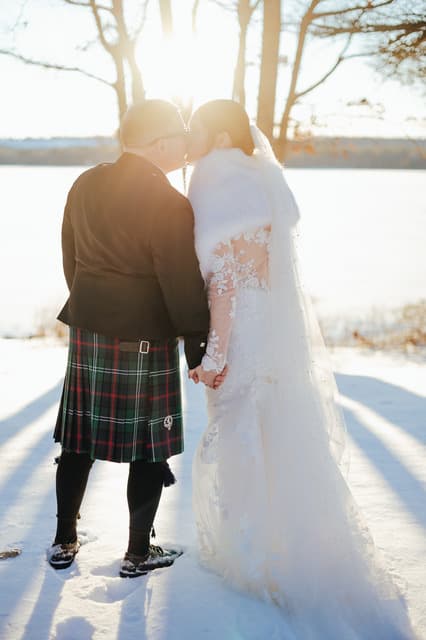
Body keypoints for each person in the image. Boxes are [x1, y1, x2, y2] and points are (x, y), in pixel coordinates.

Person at [187, 99, 417, 638]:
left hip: (241, 333)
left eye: (197, 126)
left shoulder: (215, 178)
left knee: (243, 434)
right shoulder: (263, 180)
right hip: (273, 329)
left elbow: (225, 279)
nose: (191, 134)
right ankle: (304, 548)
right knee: (282, 433)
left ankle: (252, 558)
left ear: (220, 136)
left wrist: (213, 356)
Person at [49, 100, 213, 578]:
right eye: (180, 139)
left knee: (78, 438)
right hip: (146, 335)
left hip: (89, 327)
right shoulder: (168, 202)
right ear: (161, 142)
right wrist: (196, 342)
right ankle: (138, 553)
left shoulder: (86, 183)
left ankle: (64, 540)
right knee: (148, 445)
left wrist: (89, 305)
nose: (185, 148)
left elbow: (70, 255)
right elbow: (180, 280)